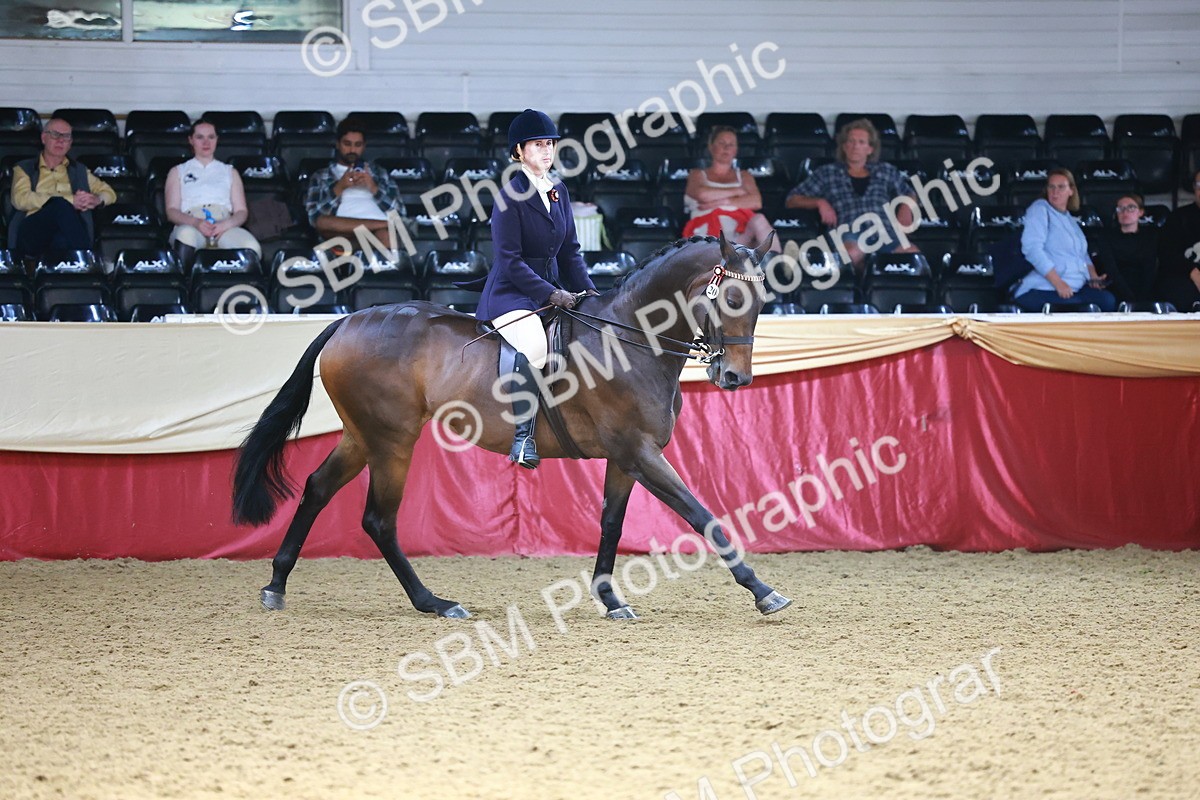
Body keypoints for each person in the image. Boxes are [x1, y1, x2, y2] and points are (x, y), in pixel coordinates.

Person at [475, 109, 598, 470]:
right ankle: (523, 437)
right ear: (519, 151)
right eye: (538, 145)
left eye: (550, 144)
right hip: (511, 294)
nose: (547, 151)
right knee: (533, 345)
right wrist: (550, 293)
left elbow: (570, 251)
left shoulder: (558, 190)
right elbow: (510, 261)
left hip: (551, 288)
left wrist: (590, 293)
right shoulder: (507, 197)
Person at [784, 118, 918, 271]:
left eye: (861, 142)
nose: (855, 146)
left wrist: (906, 208)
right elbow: (792, 199)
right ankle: (864, 286)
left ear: (870, 149)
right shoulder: (827, 173)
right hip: (849, 232)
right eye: (851, 141)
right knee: (852, 253)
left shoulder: (885, 170)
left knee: (913, 256)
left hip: (884, 232)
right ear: (844, 146)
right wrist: (820, 202)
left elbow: (909, 192)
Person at [8, 117, 115, 260]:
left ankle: (76, 271)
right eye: (55, 135)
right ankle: (89, 260)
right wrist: (70, 200)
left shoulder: (79, 170)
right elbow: (20, 199)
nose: (61, 140)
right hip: (33, 231)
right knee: (60, 205)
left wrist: (97, 200)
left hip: (65, 232)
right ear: (44, 138)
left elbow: (110, 193)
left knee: (62, 240)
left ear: (70, 144)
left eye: (66, 137)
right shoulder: (24, 168)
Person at [1012, 168, 1116, 312]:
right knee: (1077, 307)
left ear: (1071, 191)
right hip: (1043, 287)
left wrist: (1093, 277)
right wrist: (1058, 283)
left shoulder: (1069, 219)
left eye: (1061, 187)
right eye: (1051, 187)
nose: (1055, 192)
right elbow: (1032, 249)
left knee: (1107, 300)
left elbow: (1083, 254)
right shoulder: (1040, 209)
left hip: (1075, 286)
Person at [164, 121, 261, 265]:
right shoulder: (178, 171)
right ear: (191, 140)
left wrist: (226, 225)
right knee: (186, 237)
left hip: (223, 224)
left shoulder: (230, 171)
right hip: (192, 223)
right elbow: (172, 211)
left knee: (252, 247)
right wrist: (196, 223)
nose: (206, 142)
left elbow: (241, 211)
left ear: (217, 140)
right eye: (200, 137)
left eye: (211, 137)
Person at [304, 118, 404, 246]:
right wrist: (339, 187)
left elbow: (399, 212)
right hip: (342, 235)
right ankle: (382, 225)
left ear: (364, 146)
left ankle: (381, 228)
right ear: (338, 144)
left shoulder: (380, 173)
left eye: (358, 145)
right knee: (323, 222)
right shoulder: (321, 176)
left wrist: (373, 187)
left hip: (378, 235)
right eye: (347, 144)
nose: (352, 150)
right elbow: (314, 219)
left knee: (386, 235)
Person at [682, 126, 779, 252]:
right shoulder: (697, 174)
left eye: (731, 144)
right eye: (721, 143)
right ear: (711, 147)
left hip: (740, 238)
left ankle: (777, 265)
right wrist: (738, 192)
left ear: (736, 149)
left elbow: (756, 202)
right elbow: (702, 194)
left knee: (759, 219)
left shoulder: (744, 176)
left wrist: (720, 202)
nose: (726, 148)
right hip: (707, 238)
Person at [1092, 194, 1158, 304]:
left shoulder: (1150, 236)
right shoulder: (1106, 237)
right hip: (1116, 285)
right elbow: (1111, 269)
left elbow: (1150, 269)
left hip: (1144, 286)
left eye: (1131, 208)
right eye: (1120, 208)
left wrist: (1142, 298)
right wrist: (1129, 298)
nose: (1125, 212)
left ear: (1140, 212)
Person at [1156, 169, 1200, 312]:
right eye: (1199, 184)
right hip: (1184, 277)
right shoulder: (1179, 217)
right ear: (1194, 188)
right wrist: (1193, 272)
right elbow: (1167, 255)